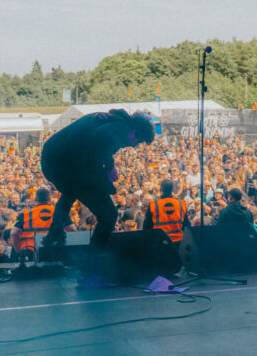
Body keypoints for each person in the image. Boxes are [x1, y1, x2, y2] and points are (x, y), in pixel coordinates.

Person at [39, 109, 155, 284]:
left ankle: (54, 234)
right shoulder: (118, 130)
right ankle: (91, 270)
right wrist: (107, 181)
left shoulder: (115, 121)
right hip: (64, 165)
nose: (134, 146)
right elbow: (99, 144)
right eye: (137, 142)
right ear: (134, 132)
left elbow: (99, 147)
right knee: (109, 215)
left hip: (56, 160)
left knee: (70, 191)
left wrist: (109, 167)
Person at [10, 187, 55, 256]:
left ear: (35, 199)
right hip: (55, 250)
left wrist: (19, 252)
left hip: (31, 251)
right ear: (50, 199)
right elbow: (72, 229)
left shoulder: (26, 214)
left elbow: (13, 233)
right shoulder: (58, 212)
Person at [143, 179, 186, 243]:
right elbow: (186, 225)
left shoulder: (154, 205)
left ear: (161, 189)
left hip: (159, 241)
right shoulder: (181, 204)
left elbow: (146, 227)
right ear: (173, 190)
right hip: (178, 242)